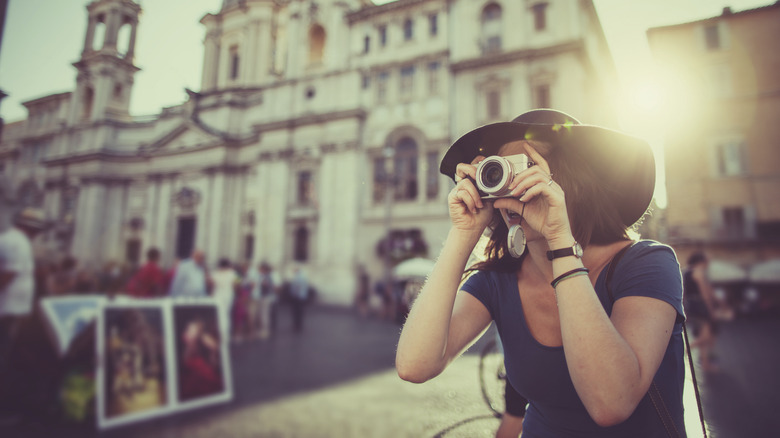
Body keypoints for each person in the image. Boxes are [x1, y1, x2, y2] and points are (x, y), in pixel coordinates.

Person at [396, 109, 687, 437]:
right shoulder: (498, 281)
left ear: (571, 182)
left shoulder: (646, 263)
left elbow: (611, 403)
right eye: (500, 172)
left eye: (527, 169)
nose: (512, 186)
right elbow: (414, 365)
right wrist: (463, 233)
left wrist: (559, 240)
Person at [0, 207, 48, 417]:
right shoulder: (17, 242)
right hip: (7, 310)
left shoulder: (16, 240)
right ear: (29, 227)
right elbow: (7, 274)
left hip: (12, 310)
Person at [683, 251, 724, 374]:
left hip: (692, 306)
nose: (708, 262)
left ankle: (705, 364)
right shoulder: (699, 272)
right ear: (701, 261)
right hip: (700, 306)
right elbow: (706, 294)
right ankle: (683, 351)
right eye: (707, 260)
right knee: (705, 337)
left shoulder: (687, 271)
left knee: (703, 335)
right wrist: (711, 310)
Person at [211, 258, 238, 338]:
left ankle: (219, 333)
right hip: (228, 295)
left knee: (218, 315)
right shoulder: (234, 273)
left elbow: (211, 284)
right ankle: (225, 334)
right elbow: (237, 285)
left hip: (217, 295)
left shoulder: (214, 273)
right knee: (226, 315)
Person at [288, 266, 310, 333]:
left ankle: (297, 325)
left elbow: (297, 287)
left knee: (296, 312)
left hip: (297, 297)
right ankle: (299, 325)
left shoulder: (298, 277)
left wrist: (294, 295)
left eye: (294, 270)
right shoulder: (303, 277)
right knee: (300, 312)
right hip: (302, 297)